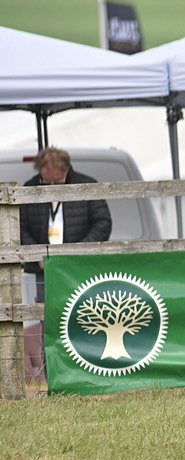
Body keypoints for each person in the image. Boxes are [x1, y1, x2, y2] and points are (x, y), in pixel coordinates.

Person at [18, 147, 112, 380]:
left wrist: (75, 254)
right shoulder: (29, 189)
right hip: (45, 269)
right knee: (48, 321)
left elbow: (103, 223)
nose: (52, 187)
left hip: (79, 268)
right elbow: (19, 227)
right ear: (40, 173)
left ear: (66, 170)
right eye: (47, 182)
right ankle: (52, 375)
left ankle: (88, 372)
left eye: (57, 181)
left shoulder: (86, 185)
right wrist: (38, 255)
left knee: (84, 316)